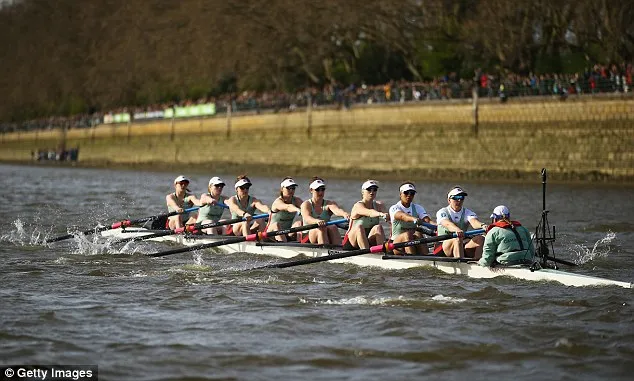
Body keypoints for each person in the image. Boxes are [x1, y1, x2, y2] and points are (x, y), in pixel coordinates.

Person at [435, 186, 486, 259]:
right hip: (442, 247)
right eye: (456, 197)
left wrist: (483, 225)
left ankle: (478, 263)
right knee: (457, 238)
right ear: (449, 200)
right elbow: (447, 224)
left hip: (460, 243)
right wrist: (457, 229)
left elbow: (474, 222)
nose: (459, 200)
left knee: (481, 239)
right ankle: (461, 264)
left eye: (462, 197)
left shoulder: (468, 212)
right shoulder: (442, 212)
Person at [300, 177, 350, 245]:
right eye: (317, 190)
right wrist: (317, 221)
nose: (320, 192)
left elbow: (337, 210)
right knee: (321, 228)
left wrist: (345, 214)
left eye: (322, 189)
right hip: (307, 237)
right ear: (311, 190)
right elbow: (307, 218)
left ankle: (339, 250)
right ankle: (325, 251)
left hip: (324, 232)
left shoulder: (329, 203)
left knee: (333, 227)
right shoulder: (306, 204)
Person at [389, 182, 435, 255]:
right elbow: (402, 216)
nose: (409, 195)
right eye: (406, 193)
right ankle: (413, 259)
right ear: (400, 194)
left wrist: (439, 227)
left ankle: (427, 257)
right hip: (396, 245)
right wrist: (414, 219)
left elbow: (428, 220)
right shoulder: (394, 208)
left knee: (418, 234)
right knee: (407, 235)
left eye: (412, 193)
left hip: (413, 242)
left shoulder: (418, 208)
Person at [344, 180, 389, 249]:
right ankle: (366, 252)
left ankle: (381, 252)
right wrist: (380, 214)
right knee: (359, 227)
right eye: (369, 189)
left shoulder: (379, 205)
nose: (372, 192)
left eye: (374, 189)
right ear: (362, 192)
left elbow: (390, 219)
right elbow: (369, 212)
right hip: (351, 242)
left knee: (378, 227)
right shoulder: (358, 206)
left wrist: (388, 217)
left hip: (368, 239)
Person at [266, 177, 303, 242]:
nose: (291, 190)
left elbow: (306, 207)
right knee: (276, 225)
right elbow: (288, 207)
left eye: (293, 188)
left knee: (298, 223)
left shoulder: (297, 200)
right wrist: (297, 210)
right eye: (288, 188)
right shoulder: (277, 202)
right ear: (282, 189)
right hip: (270, 234)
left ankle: (301, 245)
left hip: (286, 232)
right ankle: (285, 247)